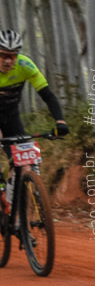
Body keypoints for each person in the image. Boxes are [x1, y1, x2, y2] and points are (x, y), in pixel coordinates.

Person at [0, 30, 69, 198]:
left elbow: (47, 95)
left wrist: (60, 121)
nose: (8, 60)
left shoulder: (25, 65)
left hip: (11, 118)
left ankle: (18, 211)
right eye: (3, 55)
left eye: (13, 55)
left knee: (28, 164)